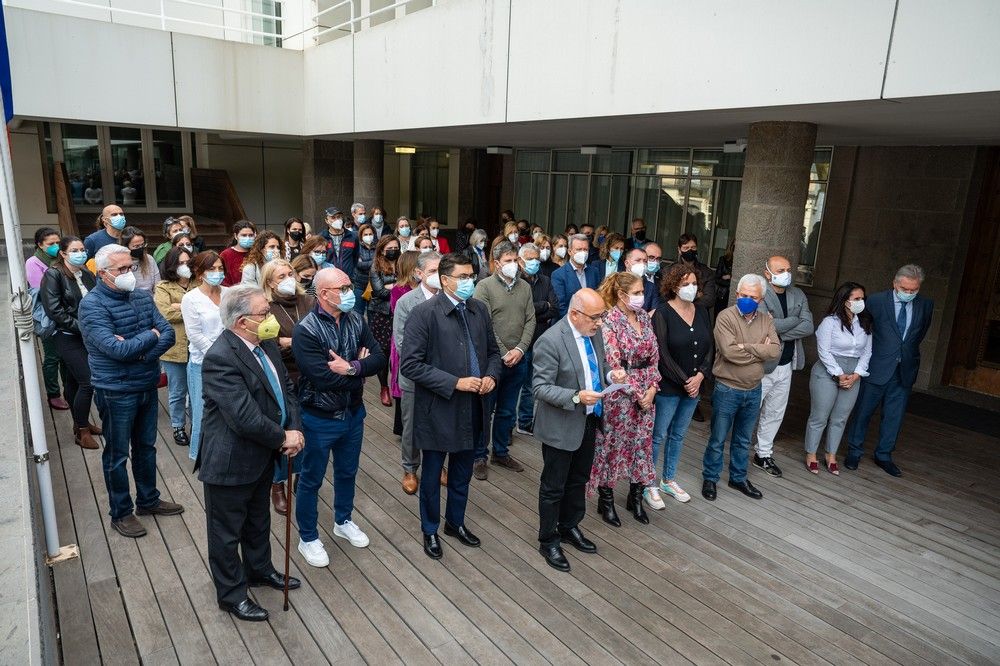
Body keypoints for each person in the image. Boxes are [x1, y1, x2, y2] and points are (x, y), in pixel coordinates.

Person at [197, 286, 304, 623]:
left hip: (262, 455)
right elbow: (243, 416)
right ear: (242, 322)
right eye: (264, 313)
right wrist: (281, 437)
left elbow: (286, 390)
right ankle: (231, 595)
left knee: (258, 521)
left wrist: (295, 429)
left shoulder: (266, 344)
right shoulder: (220, 357)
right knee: (226, 533)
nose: (270, 318)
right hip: (230, 460)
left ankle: (259, 570)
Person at [400, 253, 501, 560]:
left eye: (472, 276)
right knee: (431, 476)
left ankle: (455, 523)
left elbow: (494, 353)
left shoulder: (479, 310)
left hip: (475, 405)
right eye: (463, 277)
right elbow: (410, 365)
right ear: (445, 280)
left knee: (462, 473)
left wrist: (492, 376)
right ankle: (430, 529)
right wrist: (454, 382)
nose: (470, 281)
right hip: (439, 409)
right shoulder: (424, 313)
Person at [79, 244, 182, 538]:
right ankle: (120, 512)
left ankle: (148, 500)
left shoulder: (141, 296)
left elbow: (169, 333)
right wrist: (150, 335)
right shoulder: (92, 305)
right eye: (121, 269)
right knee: (117, 454)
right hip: (115, 390)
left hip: (146, 383)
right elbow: (115, 349)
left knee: (146, 448)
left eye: (131, 268)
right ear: (102, 274)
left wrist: (141, 352)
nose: (129, 274)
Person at [292, 268, 386, 566]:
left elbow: (380, 358)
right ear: (323, 294)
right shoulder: (305, 331)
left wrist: (352, 368)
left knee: (348, 472)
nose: (350, 292)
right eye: (343, 288)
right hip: (318, 418)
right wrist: (360, 370)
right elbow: (321, 378)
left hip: (353, 414)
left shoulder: (356, 319)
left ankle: (343, 521)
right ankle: (308, 537)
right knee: (311, 479)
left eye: (349, 286)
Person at [532, 288, 608, 572]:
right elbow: (539, 388)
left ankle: (569, 526)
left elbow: (600, 367)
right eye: (595, 317)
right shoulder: (550, 341)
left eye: (602, 316)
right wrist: (576, 396)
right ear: (575, 314)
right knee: (553, 487)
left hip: (589, 420)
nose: (600, 323)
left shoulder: (593, 333)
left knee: (579, 481)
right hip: (561, 425)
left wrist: (613, 375)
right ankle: (548, 539)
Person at [845, 265, 933, 476]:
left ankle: (884, 455)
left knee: (894, 415)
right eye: (905, 289)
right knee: (863, 412)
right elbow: (863, 329)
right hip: (877, 366)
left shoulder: (926, 305)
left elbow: (919, 334)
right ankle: (854, 452)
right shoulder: (875, 301)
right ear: (895, 284)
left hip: (905, 369)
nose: (910, 293)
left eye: (914, 290)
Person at [589, 272, 660, 524]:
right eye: (638, 292)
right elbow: (613, 362)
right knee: (613, 446)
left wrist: (651, 389)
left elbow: (654, 356)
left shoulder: (643, 317)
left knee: (641, 446)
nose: (642, 297)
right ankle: (605, 500)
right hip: (620, 395)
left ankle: (636, 497)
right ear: (621, 294)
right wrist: (637, 392)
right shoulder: (609, 320)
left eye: (643, 292)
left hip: (647, 394)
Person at [702, 274, 779, 502]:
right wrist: (758, 351)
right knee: (717, 438)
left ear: (761, 298)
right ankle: (710, 478)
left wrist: (745, 347)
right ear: (736, 294)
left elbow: (774, 351)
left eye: (752, 297)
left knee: (743, 440)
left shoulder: (767, 320)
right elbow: (728, 352)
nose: (746, 299)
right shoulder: (725, 317)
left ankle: (738, 477)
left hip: (754, 389)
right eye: (743, 295)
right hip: (727, 389)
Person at [648, 263, 714, 507]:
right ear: (674, 286)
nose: (691, 288)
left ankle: (668, 479)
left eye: (694, 283)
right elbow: (662, 353)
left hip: (694, 386)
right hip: (669, 386)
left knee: (678, 435)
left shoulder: (702, 311)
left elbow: (710, 347)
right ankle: (649, 483)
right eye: (686, 284)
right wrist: (685, 380)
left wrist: (700, 376)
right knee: (658, 435)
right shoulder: (663, 313)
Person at [473, 241, 536, 479]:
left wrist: (520, 349)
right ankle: (479, 455)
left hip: (519, 359)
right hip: (492, 361)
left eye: (515, 261)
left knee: (508, 411)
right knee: (485, 409)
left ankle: (500, 452)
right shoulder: (484, 287)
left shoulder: (525, 288)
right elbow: (485, 324)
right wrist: (503, 352)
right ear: (497, 263)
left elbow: (531, 319)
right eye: (507, 261)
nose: (513, 265)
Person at [751, 255, 814, 478]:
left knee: (775, 412)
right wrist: (792, 321)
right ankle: (738, 453)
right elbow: (762, 324)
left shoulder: (798, 294)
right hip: (762, 365)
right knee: (750, 410)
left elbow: (808, 326)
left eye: (788, 269)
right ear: (767, 273)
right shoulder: (759, 293)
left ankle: (763, 454)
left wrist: (777, 329)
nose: (786, 273)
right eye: (780, 270)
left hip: (786, 363)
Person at [262, 259, 316, 514]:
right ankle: (277, 484)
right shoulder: (266, 308)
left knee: (306, 430)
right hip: (284, 376)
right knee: (285, 430)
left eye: (290, 273)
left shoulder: (309, 302)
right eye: (281, 276)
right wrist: (285, 343)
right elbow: (268, 344)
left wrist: (291, 341)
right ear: (270, 283)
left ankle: (300, 475)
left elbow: (319, 335)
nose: (288, 279)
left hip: (311, 374)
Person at [805, 282, 872, 474]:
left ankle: (830, 454)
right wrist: (839, 373)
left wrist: (857, 374)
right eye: (856, 299)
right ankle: (811, 453)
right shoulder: (830, 322)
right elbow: (823, 351)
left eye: (862, 299)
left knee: (840, 417)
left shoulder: (865, 322)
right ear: (844, 301)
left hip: (854, 373)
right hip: (828, 371)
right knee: (820, 416)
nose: (861, 302)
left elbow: (867, 352)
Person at [40, 236, 99, 448]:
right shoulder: (53, 275)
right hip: (67, 337)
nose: (80, 253)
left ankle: (79, 423)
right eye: (75, 250)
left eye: (82, 249)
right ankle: (81, 431)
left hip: (89, 337)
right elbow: (55, 310)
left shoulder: (86, 273)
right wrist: (83, 328)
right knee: (88, 380)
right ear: (63, 253)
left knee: (74, 381)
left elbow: (97, 300)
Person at [392, 251, 442, 494]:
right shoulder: (406, 302)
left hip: (445, 378)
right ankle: (410, 468)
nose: (437, 276)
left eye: (440, 271)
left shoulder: (449, 299)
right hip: (415, 377)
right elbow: (402, 343)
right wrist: (432, 367)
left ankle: (437, 465)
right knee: (411, 426)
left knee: (439, 423)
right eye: (432, 271)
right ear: (419, 274)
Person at [182, 251, 228, 462]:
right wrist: (218, 354)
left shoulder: (229, 293)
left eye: (220, 268)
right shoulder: (191, 299)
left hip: (230, 362)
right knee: (202, 413)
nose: (217, 273)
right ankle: (199, 456)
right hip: (203, 364)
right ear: (199, 273)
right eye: (212, 269)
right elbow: (195, 335)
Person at [515, 243, 559, 436]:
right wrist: (543, 305)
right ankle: (507, 428)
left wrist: (533, 309)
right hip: (518, 341)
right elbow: (518, 312)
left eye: (536, 259)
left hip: (539, 339)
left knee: (531, 385)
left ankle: (525, 422)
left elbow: (555, 308)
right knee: (513, 386)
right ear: (520, 260)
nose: (534, 262)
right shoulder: (515, 281)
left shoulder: (545, 280)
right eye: (530, 258)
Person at [154, 247, 196, 446]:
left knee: (198, 389)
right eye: (180, 263)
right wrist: (192, 308)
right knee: (178, 391)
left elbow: (210, 307)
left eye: (188, 261)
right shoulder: (163, 287)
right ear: (171, 265)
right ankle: (178, 426)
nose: (185, 266)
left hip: (198, 346)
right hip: (175, 347)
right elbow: (166, 314)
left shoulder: (199, 283)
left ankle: (197, 425)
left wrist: (180, 306)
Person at [27, 227, 69, 410]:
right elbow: (42, 290)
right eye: (50, 244)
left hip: (66, 313)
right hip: (48, 316)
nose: (55, 246)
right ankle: (53, 394)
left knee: (67, 356)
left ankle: (69, 390)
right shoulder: (33, 262)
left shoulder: (62, 258)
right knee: (52, 356)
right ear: (40, 245)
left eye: (57, 243)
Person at [368, 235, 401, 407]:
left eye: (396, 247)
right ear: (382, 249)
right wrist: (398, 287)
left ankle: (397, 384)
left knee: (399, 351)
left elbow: (410, 285)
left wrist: (392, 287)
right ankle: (384, 387)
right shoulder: (375, 267)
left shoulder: (403, 263)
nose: (393, 251)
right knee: (384, 352)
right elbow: (380, 292)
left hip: (400, 312)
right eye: (390, 248)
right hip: (382, 314)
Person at [551, 234, 599, 316]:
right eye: (579, 249)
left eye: (585, 249)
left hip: (591, 322)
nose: (583, 253)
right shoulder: (558, 275)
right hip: (568, 323)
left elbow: (597, 298)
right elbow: (560, 306)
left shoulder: (594, 271)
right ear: (569, 251)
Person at [319, 206, 359, 279]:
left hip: (348, 278)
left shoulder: (352, 236)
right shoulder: (321, 237)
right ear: (326, 220)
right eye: (333, 218)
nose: (337, 220)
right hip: (329, 279)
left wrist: (353, 274)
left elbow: (356, 257)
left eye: (339, 217)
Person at [120, 226, 160, 292]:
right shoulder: (119, 263)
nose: (140, 248)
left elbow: (158, 286)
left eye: (142, 245)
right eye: (136, 246)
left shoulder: (150, 259)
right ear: (126, 247)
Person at [623, 247, 662, 312]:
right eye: (638, 260)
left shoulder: (651, 287)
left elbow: (654, 310)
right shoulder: (615, 282)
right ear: (627, 263)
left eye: (645, 261)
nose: (642, 264)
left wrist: (642, 320)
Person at [219, 220, 257, 287]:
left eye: (251, 235)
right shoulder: (225, 255)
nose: (248, 238)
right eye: (244, 235)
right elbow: (222, 280)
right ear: (236, 236)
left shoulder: (257, 253)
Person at [352, 223, 377, 316]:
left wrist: (365, 263)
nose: (368, 236)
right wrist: (373, 262)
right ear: (361, 236)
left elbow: (380, 263)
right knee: (358, 314)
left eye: (370, 234)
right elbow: (358, 264)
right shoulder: (357, 247)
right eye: (365, 235)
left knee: (372, 314)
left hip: (374, 285)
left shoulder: (378, 247)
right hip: (359, 284)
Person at [714, 240, 735, 318]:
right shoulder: (724, 260)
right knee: (719, 318)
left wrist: (730, 277)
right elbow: (717, 278)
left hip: (735, 295)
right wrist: (730, 282)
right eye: (734, 247)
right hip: (723, 294)